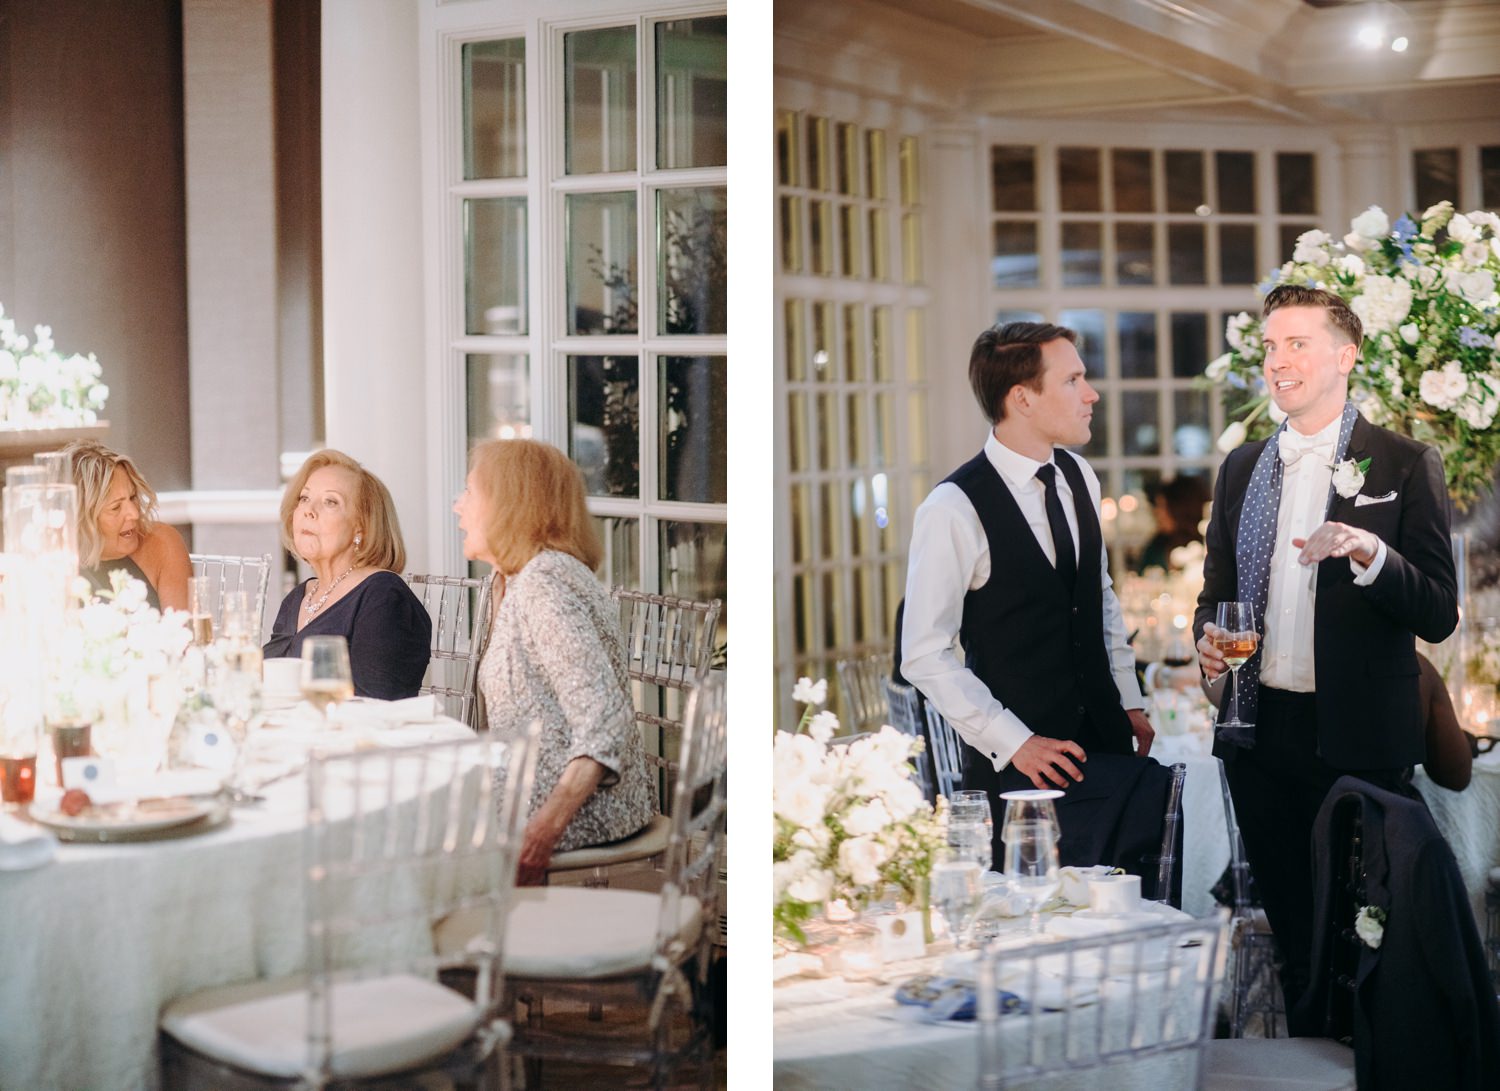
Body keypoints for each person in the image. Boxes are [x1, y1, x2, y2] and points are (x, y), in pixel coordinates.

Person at [1194, 284, 1457, 1022]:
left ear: (1346, 355)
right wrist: (1209, 644)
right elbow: (1214, 595)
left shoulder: (1403, 463)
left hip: (1360, 743)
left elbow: (1439, 610)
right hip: (1259, 737)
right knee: (1295, 941)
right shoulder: (1241, 467)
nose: (1277, 361)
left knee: (1367, 941)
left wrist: (1371, 551)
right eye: (1270, 346)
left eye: (1297, 343)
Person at [902, 322, 1168, 882]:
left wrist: (1127, 697)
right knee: (1041, 933)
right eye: (1073, 380)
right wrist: (1015, 740)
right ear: (1022, 398)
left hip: (1109, 751)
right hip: (1021, 781)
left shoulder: (1079, 477)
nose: (1091, 394)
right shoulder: (953, 508)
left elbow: (1098, 598)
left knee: (1125, 916)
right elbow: (924, 653)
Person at [454, 438, 655, 885]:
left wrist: (542, 831)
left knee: (416, 825)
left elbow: (605, 720)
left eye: (469, 492)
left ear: (508, 503)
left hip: (580, 809)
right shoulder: (508, 579)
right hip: (528, 787)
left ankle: (475, 948)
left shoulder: (545, 583)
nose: (457, 506)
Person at [262, 450, 430, 699]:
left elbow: (379, 708)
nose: (309, 510)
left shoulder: (383, 596)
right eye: (304, 498)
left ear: (361, 525)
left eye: (330, 502)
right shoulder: (298, 598)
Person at [65, 440, 191, 611]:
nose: (134, 514)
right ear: (83, 518)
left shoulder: (163, 544)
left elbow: (184, 632)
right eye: (116, 507)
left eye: (133, 498)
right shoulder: (56, 561)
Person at [1135, 475, 1210, 573]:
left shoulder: (1205, 546)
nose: (1156, 512)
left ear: (1179, 509)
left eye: (1162, 506)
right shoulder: (1156, 546)